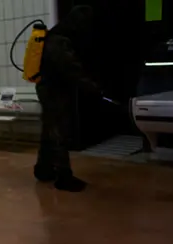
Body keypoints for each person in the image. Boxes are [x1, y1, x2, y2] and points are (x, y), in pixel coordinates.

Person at [35, 5, 100, 192]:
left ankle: (43, 169)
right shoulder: (58, 41)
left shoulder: (54, 37)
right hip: (54, 93)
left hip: (48, 90)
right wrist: (92, 87)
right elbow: (71, 69)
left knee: (49, 131)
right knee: (59, 133)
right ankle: (64, 177)